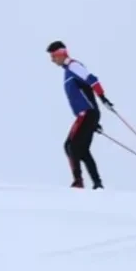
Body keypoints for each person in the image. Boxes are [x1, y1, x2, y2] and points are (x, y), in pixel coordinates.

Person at [47, 41, 110, 189]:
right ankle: (97, 183)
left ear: (61, 53)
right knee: (81, 150)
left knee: (71, 145)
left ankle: (78, 182)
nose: (52, 60)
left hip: (86, 114)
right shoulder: (68, 71)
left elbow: (92, 80)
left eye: (53, 56)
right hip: (88, 115)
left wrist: (103, 98)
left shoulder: (73, 66)